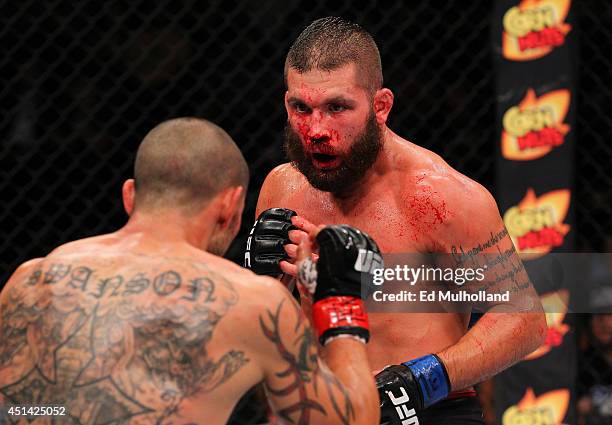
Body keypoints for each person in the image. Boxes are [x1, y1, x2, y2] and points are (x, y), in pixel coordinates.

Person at [247, 17, 547, 425]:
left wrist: (421, 380)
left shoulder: (441, 197)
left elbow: (524, 320)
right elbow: (271, 331)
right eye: (303, 108)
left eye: (337, 108)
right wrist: (261, 282)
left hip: (431, 413)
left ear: (381, 106)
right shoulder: (281, 190)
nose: (316, 130)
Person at [0, 117, 380, 425]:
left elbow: (11, 409)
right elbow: (352, 420)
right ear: (230, 207)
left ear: (130, 195)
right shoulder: (255, 300)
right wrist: (337, 298)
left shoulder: (31, 279)